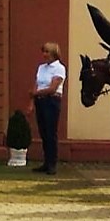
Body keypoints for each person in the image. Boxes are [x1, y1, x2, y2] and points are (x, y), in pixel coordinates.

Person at [29, 42, 66, 175]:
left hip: (52, 101)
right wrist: (32, 102)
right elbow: (36, 84)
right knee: (43, 132)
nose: (44, 55)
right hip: (40, 101)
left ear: (53, 54)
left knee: (51, 133)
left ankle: (52, 163)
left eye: (47, 52)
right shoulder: (41, 68)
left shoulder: (59, 68)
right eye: (43, 52)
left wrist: (36, 93)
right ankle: (46, 161)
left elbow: (52, 88)